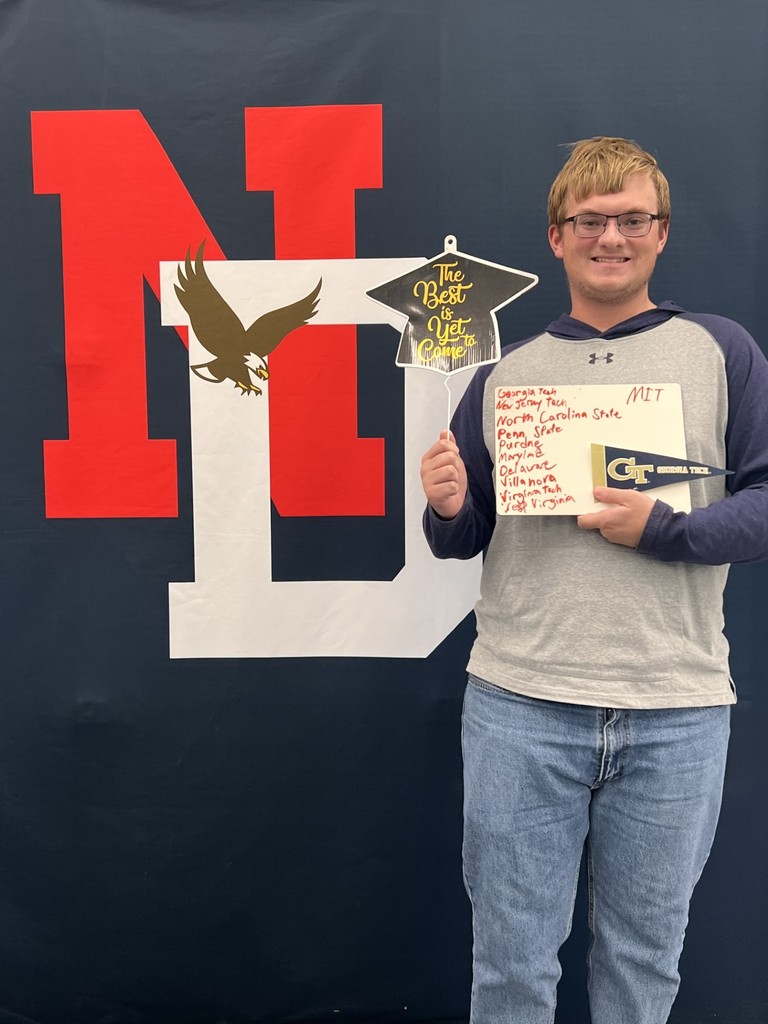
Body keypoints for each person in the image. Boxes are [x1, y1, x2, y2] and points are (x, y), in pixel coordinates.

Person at [419, 137, 768, 1024]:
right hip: (520, 703)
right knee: (509, 965)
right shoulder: (504, 374)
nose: (610, 237)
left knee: (643, 967)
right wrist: (450, 505)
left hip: (677, 707)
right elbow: (465, 539)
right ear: (556, 237)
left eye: (631, 220)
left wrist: (665, 530)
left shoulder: (721, 352)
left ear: (660, 234)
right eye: (590, 221)